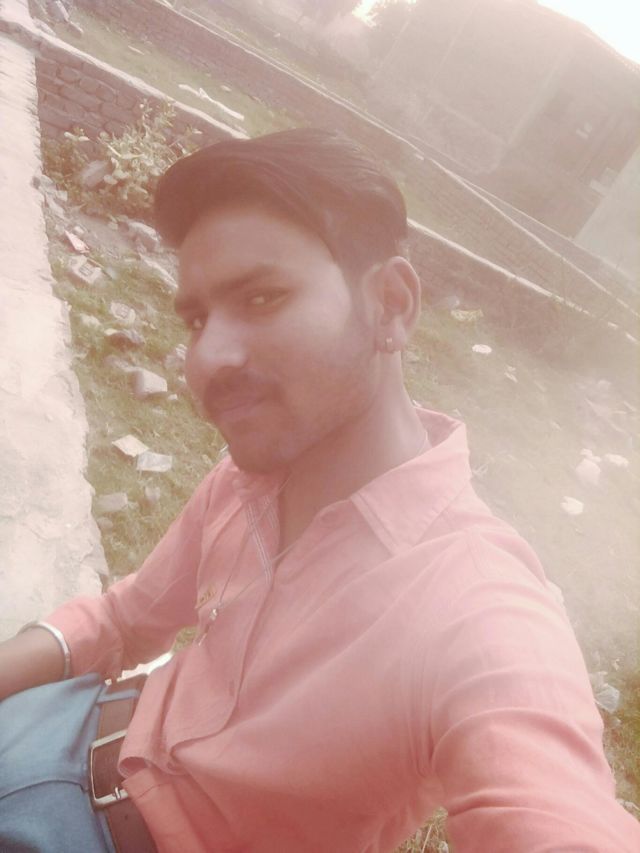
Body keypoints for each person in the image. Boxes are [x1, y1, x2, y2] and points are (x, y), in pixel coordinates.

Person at [0, 128, 637, 853]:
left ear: (390, 305)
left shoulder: (476, 606)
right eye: (198, 319)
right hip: (63, 723)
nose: (207, 359)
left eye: (263, 297)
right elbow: (121, 620)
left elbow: (552, 812)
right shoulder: (243, 481)